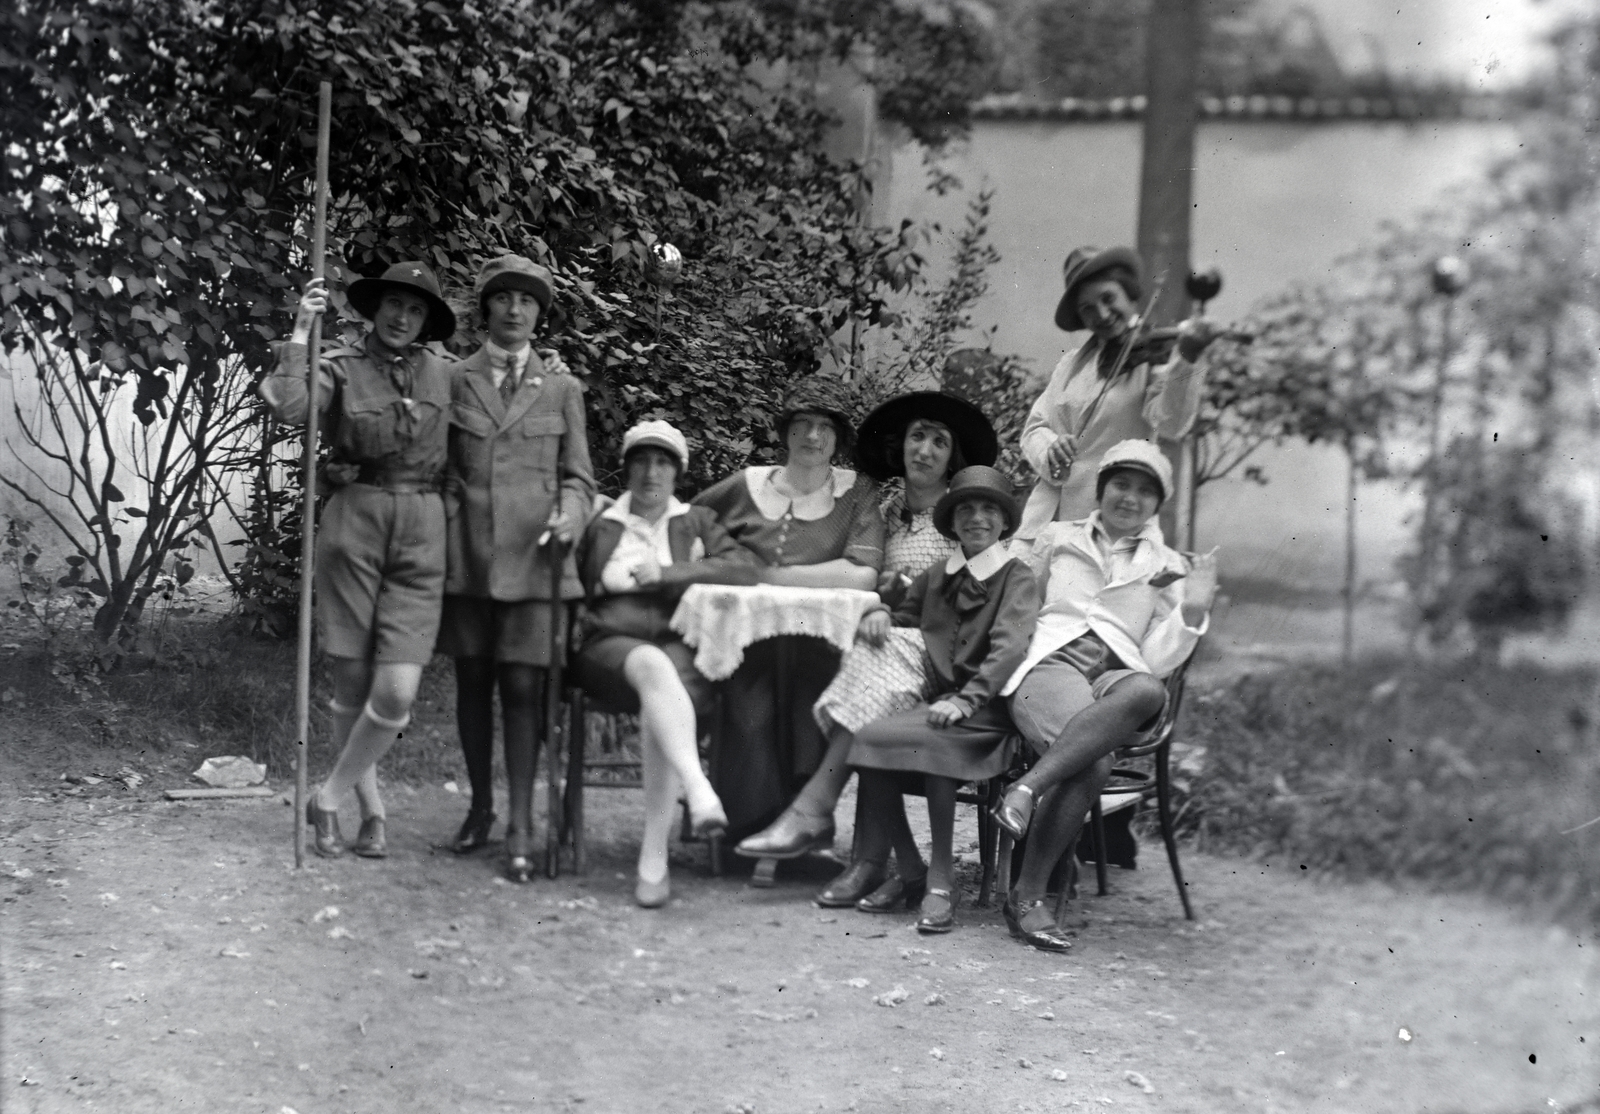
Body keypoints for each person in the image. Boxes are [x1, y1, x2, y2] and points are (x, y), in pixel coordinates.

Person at [734, 391, 998, 863]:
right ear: (900, 446)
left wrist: (898, 602)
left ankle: (813, 813)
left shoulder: (965, 516)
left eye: (940, 442)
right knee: (807, 668)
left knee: (866, 670)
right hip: (892, 645)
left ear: (952, 456)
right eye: (918, 437)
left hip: (946, 656)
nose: (926, 451)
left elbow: (978, 596)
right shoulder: (881, 509)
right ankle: (849, 849)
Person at [261, 261, 458, 859]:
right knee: (352, 680)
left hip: (423, 529)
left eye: (416, 309)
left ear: (427, 321)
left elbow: (504, 379)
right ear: (374, 309)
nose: (402, 317)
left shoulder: (446, 374)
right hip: (356, 523)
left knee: (397, 690)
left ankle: (328, 794)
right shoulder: (341, 367)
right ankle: (372, 811)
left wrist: (544, 362)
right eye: (394, 304)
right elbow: (290, 406)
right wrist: (300, 333)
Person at [993, 440, 1217, 951]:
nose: (1130, 498)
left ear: (1156, 504)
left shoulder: (1169, 565)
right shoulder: (1057, 536)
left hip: (1118, 675)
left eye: (1144, 491)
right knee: (1092, 763)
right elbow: (1012, 590)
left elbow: (1159, 659)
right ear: (1101, 489)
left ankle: (1025, 789)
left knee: (1146, 689)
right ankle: (1028, 898)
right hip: (1052, 663)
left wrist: (1193, 611)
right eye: (1121, 484)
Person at [438, 254, 595, 882]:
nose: (513, 309)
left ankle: (523, 826)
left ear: (539, 313)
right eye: (502, 298)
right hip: (469, 559)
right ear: (486, 308)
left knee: (526, 689)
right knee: (473, 683)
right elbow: (440, 466)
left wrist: (572, 517)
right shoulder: (453, 379)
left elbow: (578, 480)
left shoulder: (563, 388)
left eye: (526, 301)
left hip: (536, 563)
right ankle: (480, 807)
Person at [833, 466, 1039, 934]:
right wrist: (883, 612)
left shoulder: (1017, 577)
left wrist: (968, 700)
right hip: (941, 706)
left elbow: (1011, 647)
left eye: (989, 509)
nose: (977, 518)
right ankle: (911, 868)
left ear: (1005, 522)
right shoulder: (937, 575)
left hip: (988, 712)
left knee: (935, 744)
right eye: (966, 508)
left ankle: (942, 881)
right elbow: (907, 612)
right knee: (865, 740)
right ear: (952, 521)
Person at [691, 377, 886, 843]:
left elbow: (862, 573)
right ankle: (746, 828)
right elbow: (688, 524)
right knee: (748, 707)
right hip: (746, 638)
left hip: (818, 640)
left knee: (810, 702)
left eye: (824, 427)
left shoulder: (856, 493)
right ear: (785, 432)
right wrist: (712, 560)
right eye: (801, 425)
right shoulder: (746, 485)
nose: (812, 437)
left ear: (839, 439)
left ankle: (804, 828)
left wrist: (763, 576)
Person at [572, 420, 758, 907]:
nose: (650, 473)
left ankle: (653, 858)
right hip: (608, 646)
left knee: (664, 688)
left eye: (662, 463)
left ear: (678, 472)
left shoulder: (694, 520)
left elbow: (742, 568)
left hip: (679, 647)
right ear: (627, 469)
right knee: (656, 669)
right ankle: (698, 792)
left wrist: (670, 573)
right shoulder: (601, 523)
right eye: (641, 462)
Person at [1015, 245, 1227, 546]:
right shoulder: (1071, 364)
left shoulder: (1155, 357)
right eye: (1088, 308)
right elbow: (1034, 428)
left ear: (1129, 294)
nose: (1101, 314)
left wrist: (1189, 357)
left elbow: (1171, 424)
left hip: (1107, 526)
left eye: (1108, 298)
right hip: (1043, 520)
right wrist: (1051, 448)